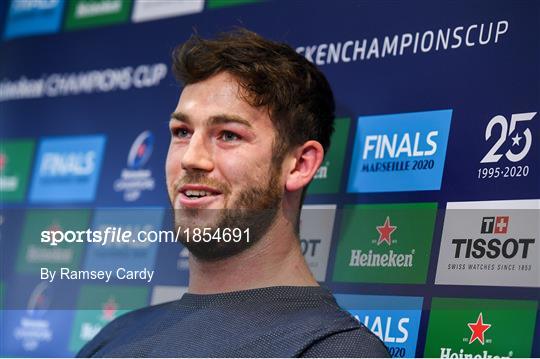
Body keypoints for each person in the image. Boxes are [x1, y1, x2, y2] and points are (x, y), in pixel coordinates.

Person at [77, 28, 389, 358]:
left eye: (227, 135)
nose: (190, 158)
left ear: (299, 165)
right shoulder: (116, 336)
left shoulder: (335, 350)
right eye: (182, 132)